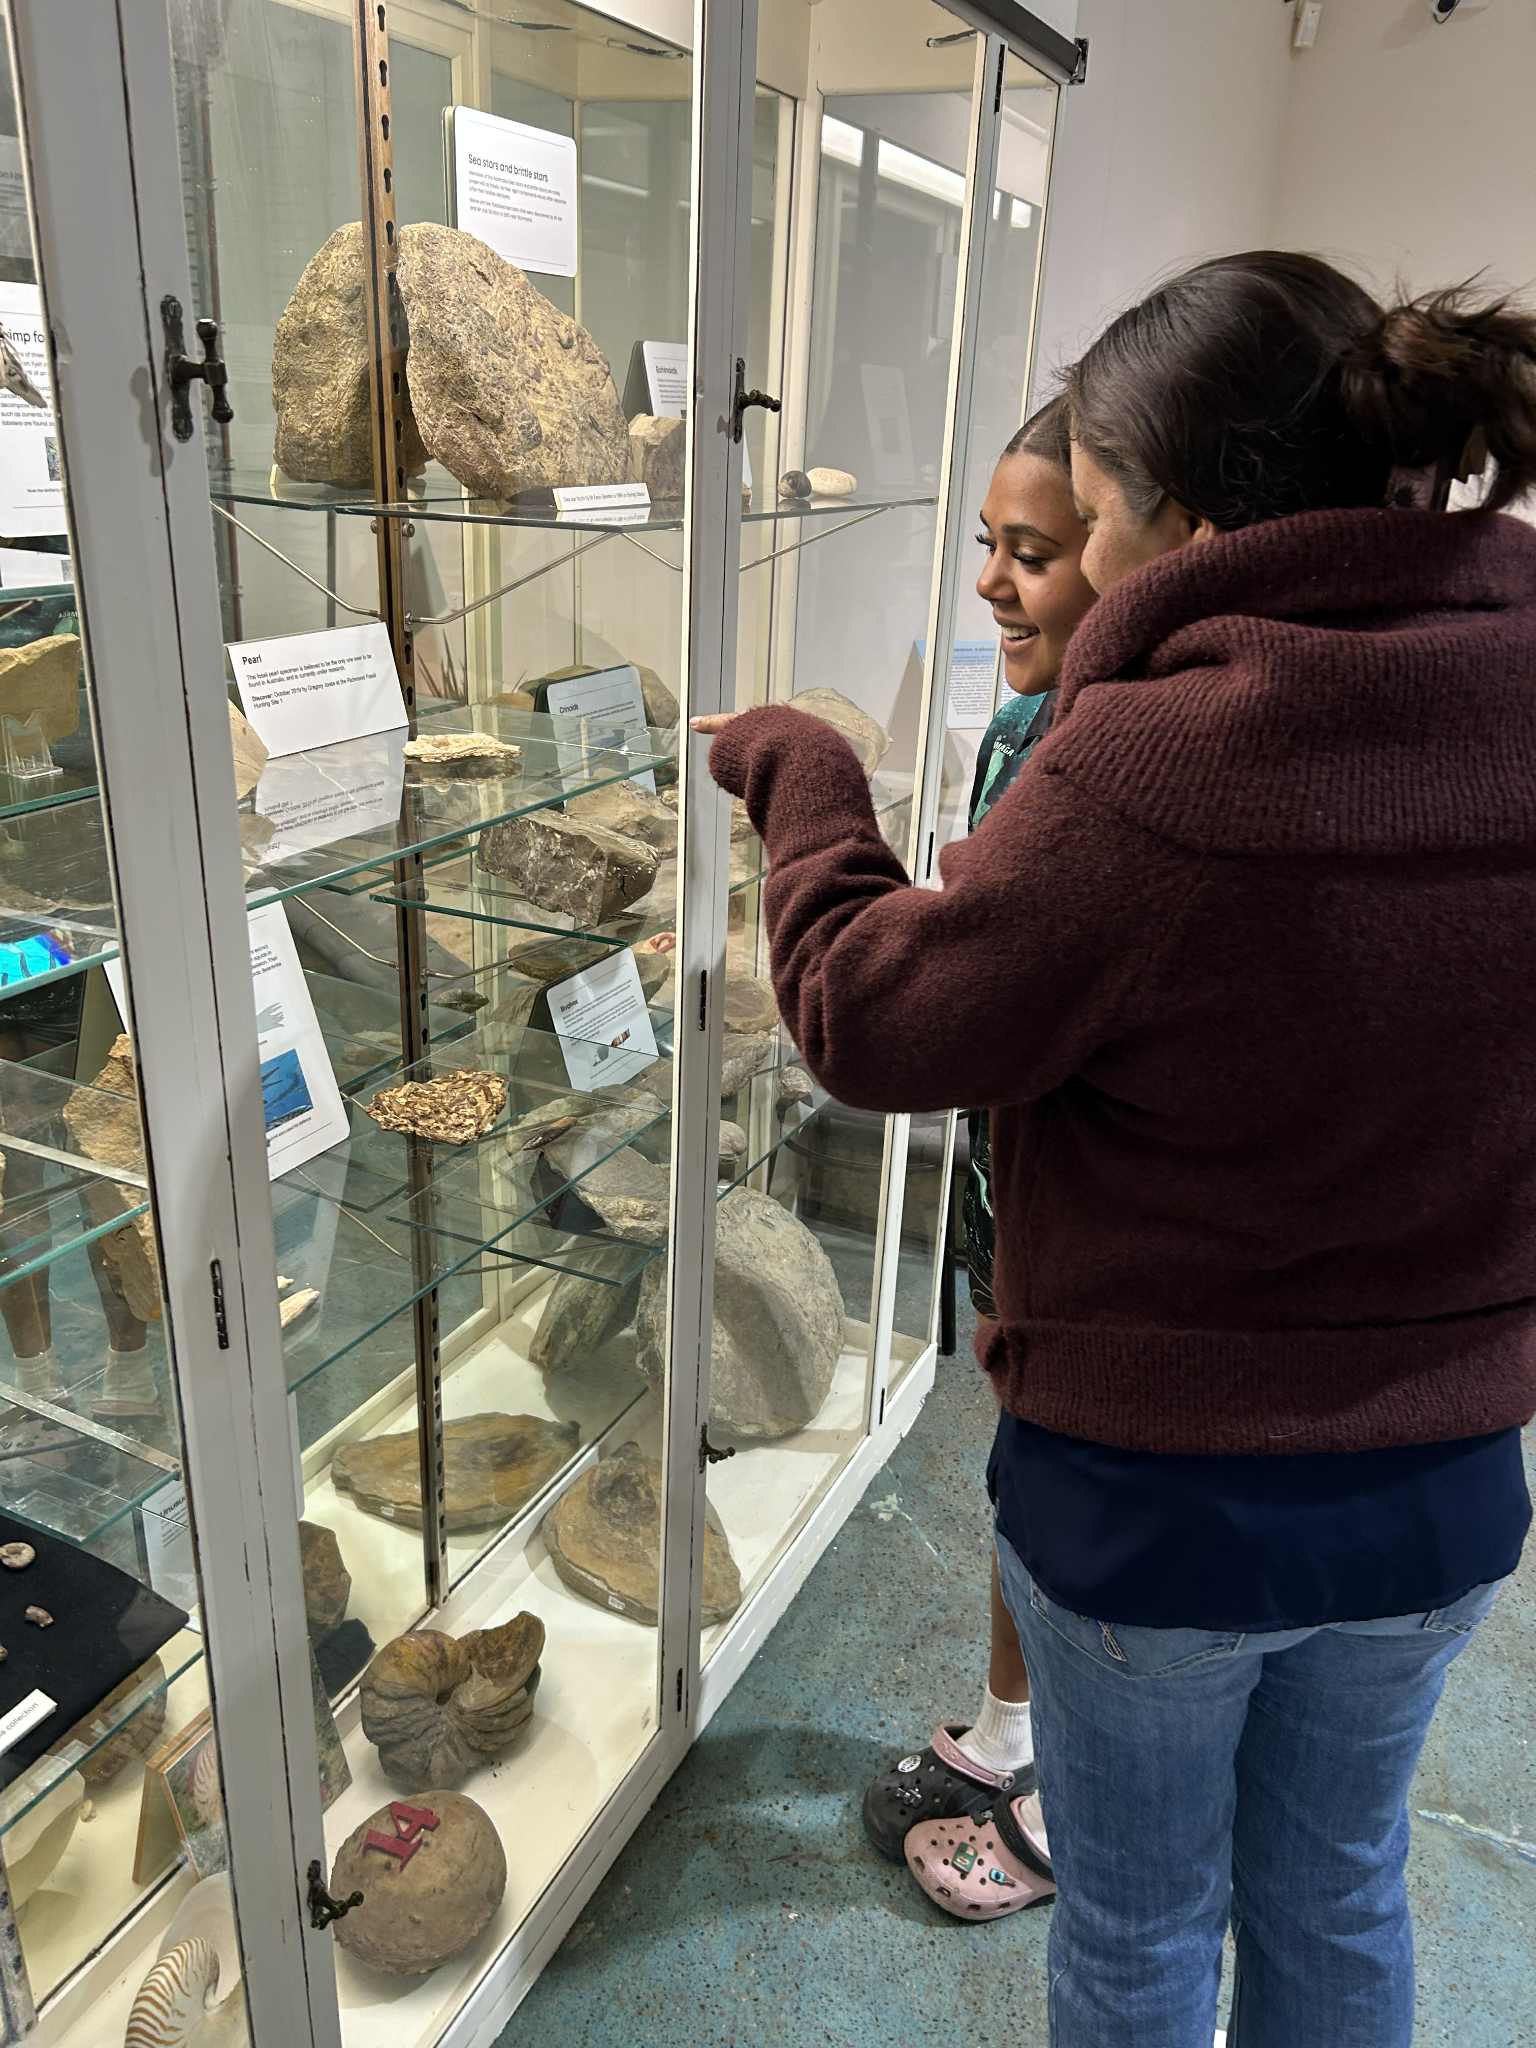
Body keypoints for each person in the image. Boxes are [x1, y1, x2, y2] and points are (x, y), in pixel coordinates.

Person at [695, 250, 1536, 2048]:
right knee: (1339, 1888)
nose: (1054, 575)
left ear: (1182, 516)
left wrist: (801, 769)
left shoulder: (1161, 758)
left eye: (1078, 523)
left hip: (1171, 1508)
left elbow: (872, 1013)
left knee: (1145, 1928)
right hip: (1449, 1475)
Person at [858, 400, 1096, 1906]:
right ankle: (1017, 1730)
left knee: (1076, 1500)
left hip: (1097, 1231)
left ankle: (1071, 1802)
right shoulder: (1025, 724)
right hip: (1020, 1192)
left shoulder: (1121, 757)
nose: (995, 588)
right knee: (1020, 1474)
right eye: (988, 550)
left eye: (1038, 554)